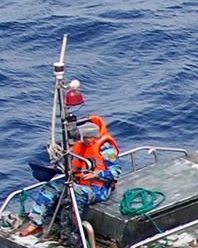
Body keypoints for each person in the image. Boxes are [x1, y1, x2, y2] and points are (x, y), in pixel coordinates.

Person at [17, 90, 120, 238]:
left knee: (75, 194)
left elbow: (116, 171)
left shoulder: (105, 148)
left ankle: (72, 232)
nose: (84, 141)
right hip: (79, 181)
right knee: (51, 187)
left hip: (99, 188)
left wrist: (98, 174)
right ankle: (36, 222)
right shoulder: (79, 145)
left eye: (87, 139)